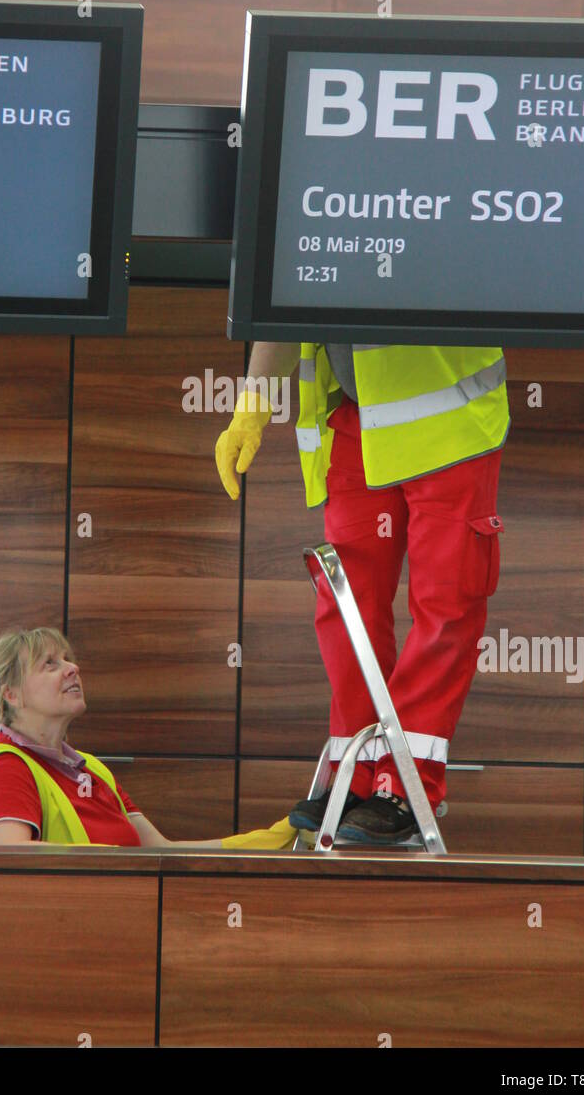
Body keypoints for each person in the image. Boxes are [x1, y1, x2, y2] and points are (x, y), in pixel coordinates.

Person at [215, 340, 509, 845]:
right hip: (356, 419)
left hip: (449, 415)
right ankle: (357, 776)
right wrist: (251, 408)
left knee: (445, 602)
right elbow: (289, 309)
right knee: (345, 604)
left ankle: (406, 784)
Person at [0, 626, 229, 848]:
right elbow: (10, 855)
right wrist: (109, 858)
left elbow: (161, 852)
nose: (73, 668)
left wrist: (255, 846)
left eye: (68, 659)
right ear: (12, 695)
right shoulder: (8, 767)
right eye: (50, 664)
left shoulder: (94, 771)